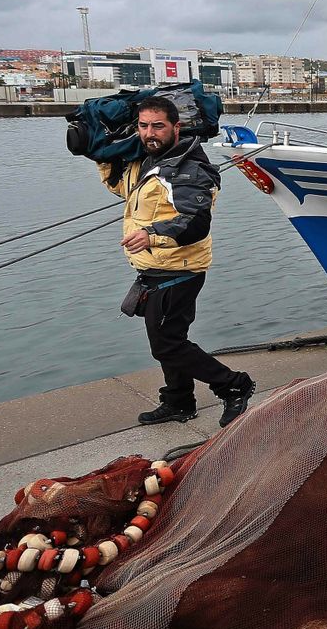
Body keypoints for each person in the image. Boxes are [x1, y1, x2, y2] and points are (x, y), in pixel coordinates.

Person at [100, 96, 255, 426]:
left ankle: (234, 385)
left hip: (179, 269)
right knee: (167, 338)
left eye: (158, 125)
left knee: (167, 344)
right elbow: (125, 189)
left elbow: (196, 222)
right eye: (143, 126)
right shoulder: (149, 162)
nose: (149, 133)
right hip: (154, 267)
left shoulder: (190, 169)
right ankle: (179, 401)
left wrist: (151, 234)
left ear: (176, 127)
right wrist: (101, 156)